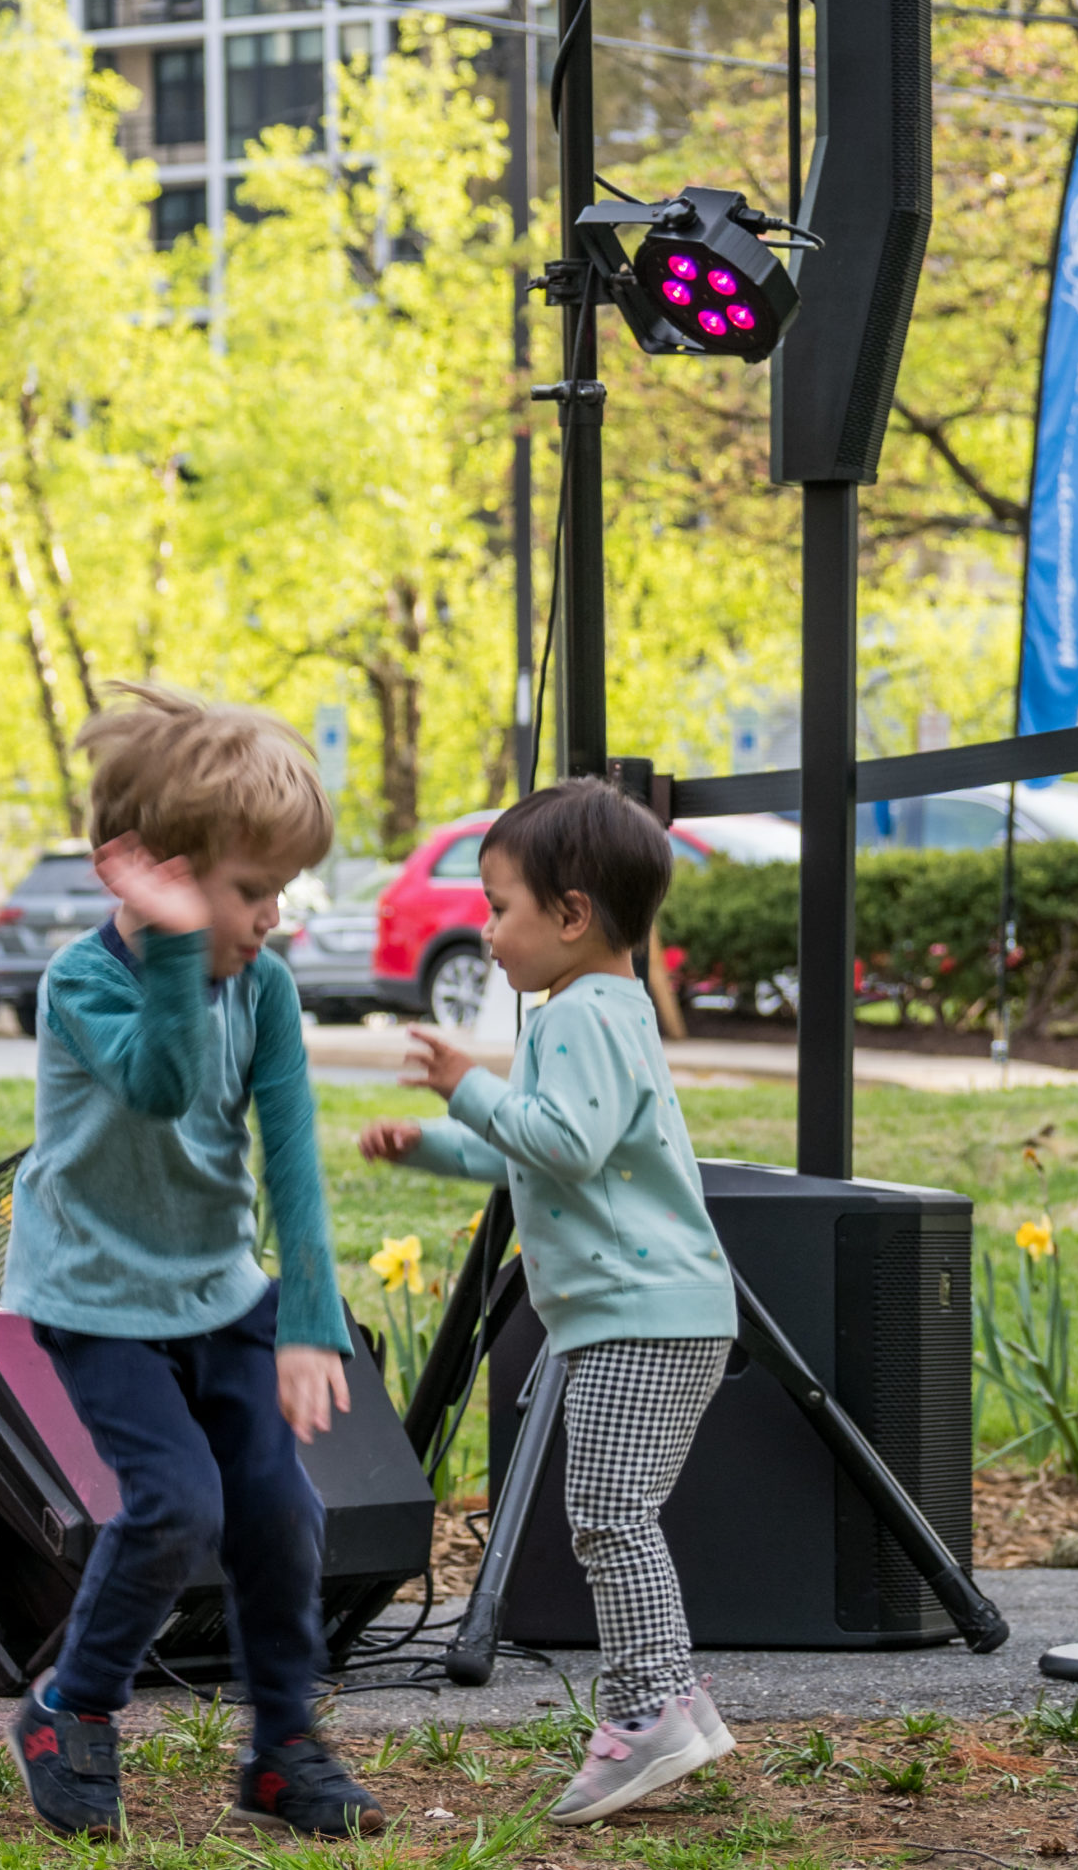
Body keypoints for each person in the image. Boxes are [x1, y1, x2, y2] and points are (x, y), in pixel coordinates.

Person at [0, 683, 382, 1843]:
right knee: (173, 1505)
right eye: (251, 890)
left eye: (283, 890)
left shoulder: (260, 984)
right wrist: (172, 947)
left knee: (278, 1510)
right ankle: (71, 1706)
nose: (274, 918)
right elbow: (162, 1083)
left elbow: (294, 1154)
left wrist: (309, 1316)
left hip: (219, 1289)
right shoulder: (82, 982)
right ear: (146, 872)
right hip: (95, 1298)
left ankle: (281, 1745)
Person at [359, 777, 738, 1825]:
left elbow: (557, 1140)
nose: (484, 930)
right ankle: (669, 1698)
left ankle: (650, 1705)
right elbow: (534, 1153)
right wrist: (434, 1142)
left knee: (611, 1514)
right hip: (659, 1312)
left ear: (570, 914)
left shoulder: (575, 1020)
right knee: (617, 1513)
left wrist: (460, 1084)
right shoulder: (601, 1012)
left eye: (498, 905)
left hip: (640, 1316)